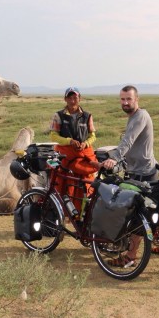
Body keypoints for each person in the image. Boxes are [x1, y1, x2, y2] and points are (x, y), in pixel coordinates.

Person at [102, 85, 159, 267]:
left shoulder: (140, 116)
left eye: (129, 99)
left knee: (137, 216)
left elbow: (128, 141)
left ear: (137, 99)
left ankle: (131, 256)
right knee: (155, 211)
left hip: (142, 174)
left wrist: (115, 158)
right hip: (145, 170)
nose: (125, 102)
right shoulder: (134, 117)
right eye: (122, 99)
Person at [49, 87, 100, 219]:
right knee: (63, 185)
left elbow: (93, 136)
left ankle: (84, 215)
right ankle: (62, 215)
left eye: (75, 97)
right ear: (65, 99)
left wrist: (86, 143)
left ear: (79, 98)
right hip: (66, 156)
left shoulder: (87, 116)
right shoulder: (58, 115)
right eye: (70, 97)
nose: (72, 100)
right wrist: (69, 141)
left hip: (83, 155)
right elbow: (54, 137)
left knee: (87, 183)